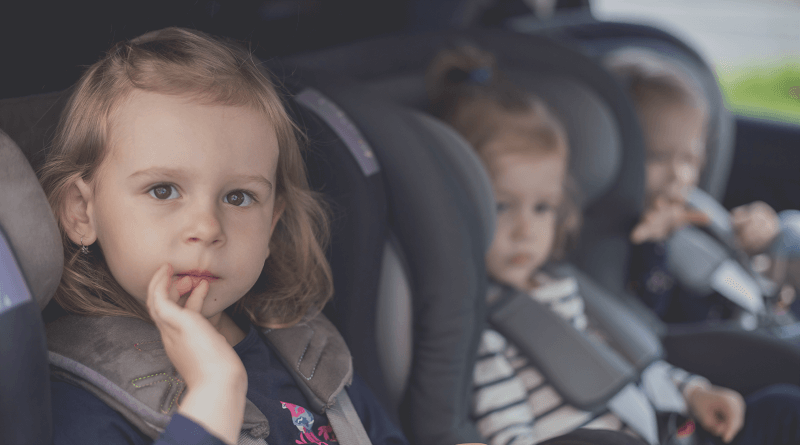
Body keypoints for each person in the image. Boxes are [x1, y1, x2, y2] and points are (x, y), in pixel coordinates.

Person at [38, 27, 407, 445]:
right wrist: (215, 392)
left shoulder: (311, 358)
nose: (208, 228)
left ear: (271, 224)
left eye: (238, 196)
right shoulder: (75, 400)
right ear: (81, 212)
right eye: (163, 190)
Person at [426, 45, 800, 445]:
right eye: (502, 207)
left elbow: (633, 363)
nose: (524, 230)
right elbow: (510, 434)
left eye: (542, 208)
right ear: (459, 211)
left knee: (782, 407)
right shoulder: (487, 336)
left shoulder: (564, 285)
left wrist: (694, 390)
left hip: (672, 429)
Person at [605, 50, 790, 323]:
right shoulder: (623, 240)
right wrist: (653, 247)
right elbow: (648, 317)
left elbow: (734, 260)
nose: (678, 174)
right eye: (657, 157)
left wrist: (749, 237)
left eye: (689, 158)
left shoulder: (695, 209)